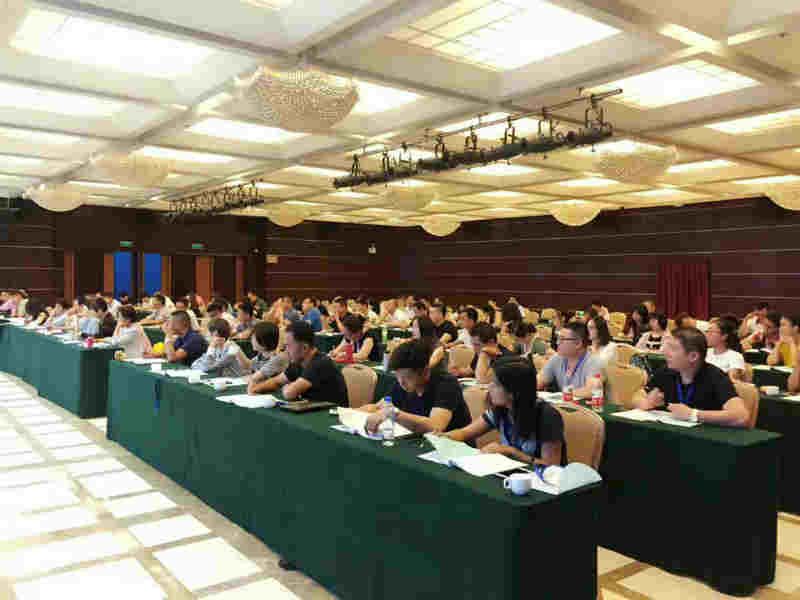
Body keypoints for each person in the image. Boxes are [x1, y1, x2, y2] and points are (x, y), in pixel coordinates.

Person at [444, 356, 567, 465]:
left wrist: (511, 452)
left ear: (514, 391)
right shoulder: (501, 409)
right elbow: (464, 433)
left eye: (496, 384)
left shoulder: (547, 416)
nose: (489, 387)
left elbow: (551, 466)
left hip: (540, 479)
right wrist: (443, 437)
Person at [634, 328, 750, 427]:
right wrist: (645, 402)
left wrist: (693, 414)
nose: (664, 352)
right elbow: (636, 395)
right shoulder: (666, 372)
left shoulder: (715, 376)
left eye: (673, 348)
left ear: (693, 356)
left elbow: (741, 416)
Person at [361, 338, 471, 434]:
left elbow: (436, 426)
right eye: (398, 376)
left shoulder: (447, 384)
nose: (401, 382)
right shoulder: (402, 382)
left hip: (450, 445)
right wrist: (351, 413)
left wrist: (394, 414)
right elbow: (378, 406)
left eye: (407, 378)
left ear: (425, 372)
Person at [248, 320, 348, 406]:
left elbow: (289, 393)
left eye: (288, 346)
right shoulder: (298, 362)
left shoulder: (321, 363)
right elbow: (276, 382)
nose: (286, 351)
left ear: (304, 348)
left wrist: (287, 387)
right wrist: (256, 389)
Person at [537, 322, 604, 399]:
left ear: (578, 343)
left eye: (562, 339)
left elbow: (592, 391)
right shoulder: (557, 358)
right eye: (558, 338)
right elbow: (539, 381)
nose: (557, 343)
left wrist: (562, 394)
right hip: (563, 404)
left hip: (582, 406)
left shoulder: (594, 362)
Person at [705, 317, 746, 381]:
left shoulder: (735, 356)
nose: (707, 335)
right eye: (707, 331)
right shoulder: (704, 353)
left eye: (711, 332)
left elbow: (732, 381)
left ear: (724, 336)